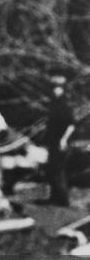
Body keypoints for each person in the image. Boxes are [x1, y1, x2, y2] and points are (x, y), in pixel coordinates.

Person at [45, 74, 75, 206]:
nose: (55, 91)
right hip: (52, 141)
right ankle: (54, 197)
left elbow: (71, 125)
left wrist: (64, 140)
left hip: (61, 142)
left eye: (58, 88)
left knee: (58, 170)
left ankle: (63, 200)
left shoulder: (65, 105)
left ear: (62, 89)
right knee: (52, 169)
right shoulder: (53, 104)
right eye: (53, 88)